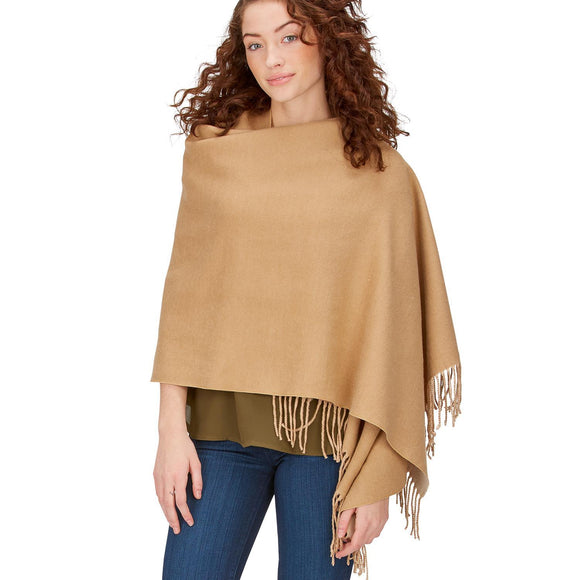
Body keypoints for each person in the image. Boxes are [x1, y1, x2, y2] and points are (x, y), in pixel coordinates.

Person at [151, 1, 462, 579]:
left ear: (328, 39)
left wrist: (375, 477)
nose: (272, 58)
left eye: (289, 37)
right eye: (255, 44)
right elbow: (187, 298)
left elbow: (391, 330)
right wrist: (171, 429)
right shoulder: (219, 152)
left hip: (328, 443)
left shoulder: (380, 175)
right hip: (221, 429)